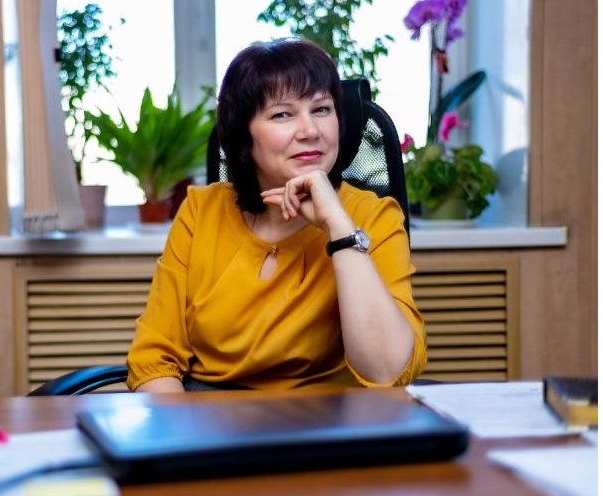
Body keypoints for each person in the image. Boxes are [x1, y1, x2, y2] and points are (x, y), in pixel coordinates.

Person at [126, 38, 426, 393]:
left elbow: (386, 371)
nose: (310, 131)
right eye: (282, 114)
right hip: (209, 414)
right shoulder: (200, 211)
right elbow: (155, 360)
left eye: (322, 109)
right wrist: (184, 427)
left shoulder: (373, 215)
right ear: (243, 136)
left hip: (326, 420)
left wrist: (338, 226)